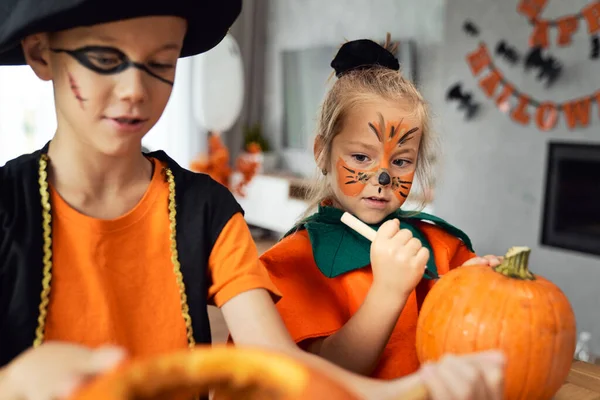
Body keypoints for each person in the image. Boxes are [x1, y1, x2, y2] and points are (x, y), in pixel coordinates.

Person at [0, 2, 505, 399]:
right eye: (107, 60)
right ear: (42, 52)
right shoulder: (7, 206)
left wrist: (406, 391)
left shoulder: (209, 211)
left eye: (160, 61)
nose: (134, 89)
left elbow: (276, 366)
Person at [260, 36, 504, 381]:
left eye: (402, 161)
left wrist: (479, 287)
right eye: (361, 157)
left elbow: (464, 331)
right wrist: (389, 291)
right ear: (321, 152)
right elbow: (320, 380)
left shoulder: (441, 244)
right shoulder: (295, 263)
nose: (384, 177)